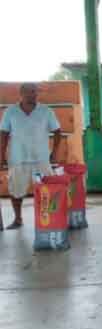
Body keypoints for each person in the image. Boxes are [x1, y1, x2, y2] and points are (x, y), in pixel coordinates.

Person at [0, 83, 62, 231]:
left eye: (34, 92)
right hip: (17, 157)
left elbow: (57, 131)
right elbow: (3, 134)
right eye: (28, 92)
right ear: (21, 93)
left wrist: (54, 152)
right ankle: (18, 219)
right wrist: (1, 155)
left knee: (47, 189)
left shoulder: (46, 111)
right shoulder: (11, 111)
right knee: (16, 191)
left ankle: (47, 218)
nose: (32, 95)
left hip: (41, 158)